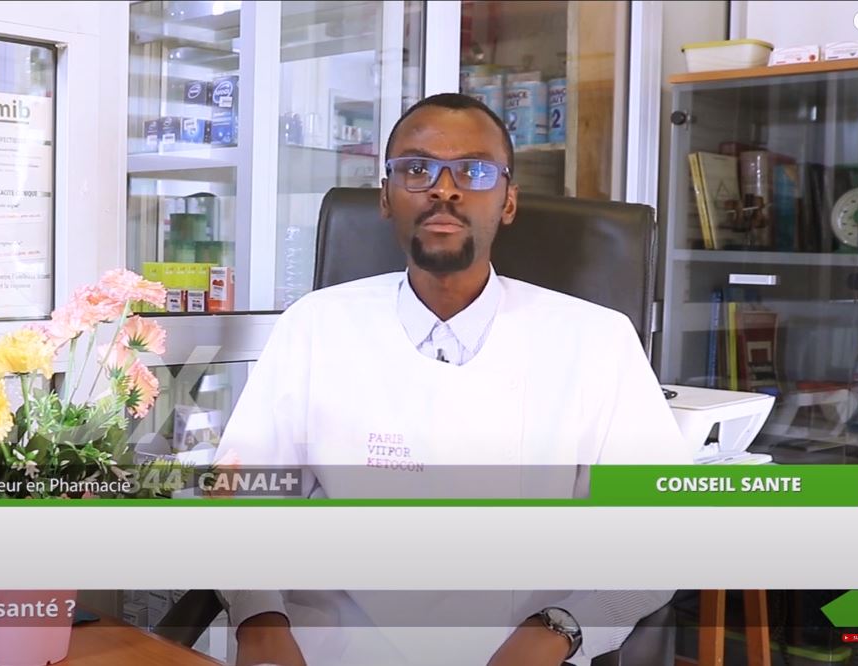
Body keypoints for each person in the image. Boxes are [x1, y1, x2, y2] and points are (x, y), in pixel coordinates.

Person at [212, 93, 693, 666]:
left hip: (522, 648)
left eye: (474, 170)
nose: (445, 189)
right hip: (328, 644)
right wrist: (259, 620)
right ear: (386, 197)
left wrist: (559, 629)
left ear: (508, 200)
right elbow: (240, 493)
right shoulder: (315, 324)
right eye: (417, 169)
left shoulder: (597, 340)